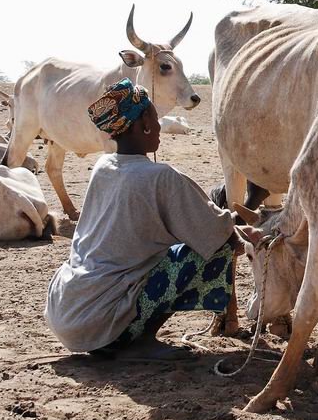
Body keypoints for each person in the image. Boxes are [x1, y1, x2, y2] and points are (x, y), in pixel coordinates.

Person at [45, 79, 251, 360]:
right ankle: (140, 340)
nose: (158, 125)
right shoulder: (161, 177)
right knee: (217, 249)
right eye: (155, 117)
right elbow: (218, 232)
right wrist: (252, 201)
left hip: (66, 310)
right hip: (101, 321)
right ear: (144, 123)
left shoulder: (103, 166)